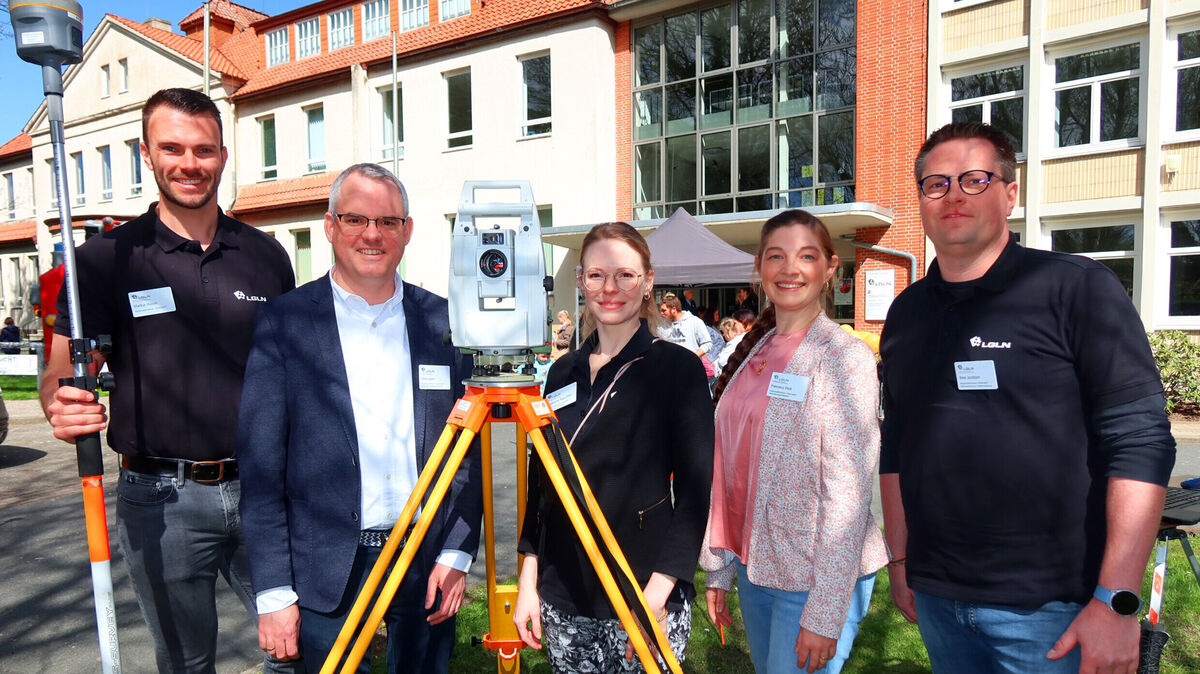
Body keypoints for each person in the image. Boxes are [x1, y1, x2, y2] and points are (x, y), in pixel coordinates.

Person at [880, 122, 1176, 673]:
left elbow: (1140, 442)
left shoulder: (1077, 289)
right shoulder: (906, 313)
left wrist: (1116, 600)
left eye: (974, 179)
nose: (954, 196)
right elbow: (897, 445)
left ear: (1009, 194)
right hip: (939, 598)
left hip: (1055, 608)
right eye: (936, 184)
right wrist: (900, 561)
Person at [40, 88, 297, 673]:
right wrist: (61, 404)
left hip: (267, 490)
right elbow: (61, 372)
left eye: (203, 150)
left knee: (299, 653)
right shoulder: (105, 260)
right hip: (161, 498)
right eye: (172, 148)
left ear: (223, 156)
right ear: (146, 153)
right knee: (184, 663)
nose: (189, 163)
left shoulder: (266, 255)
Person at [238, 164, 482, 673]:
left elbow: (467, 455)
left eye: (388, 222)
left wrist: (457, 554)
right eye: (355, 219)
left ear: (407, 232)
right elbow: (261, 471)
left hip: (426, 560)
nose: (372, 234)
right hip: (324, 569)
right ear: (330, 226)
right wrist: (273, 592)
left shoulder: (444, 322)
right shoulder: (285, 323)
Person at [513, 222, 714, 672]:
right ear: (581, 281)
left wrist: (657, 595)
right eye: (597, 275)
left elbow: (696, 496)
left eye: (625, 274)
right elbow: (540, 485)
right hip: (566, 593)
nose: (610, 287)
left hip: (644, 593)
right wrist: (529, 580)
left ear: (647, 282)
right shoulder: (562, 373)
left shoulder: (677, 370)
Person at [701, 210, 887, 674]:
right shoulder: (753, 351)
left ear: (830, 269)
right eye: (777, 256)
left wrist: (825, 613)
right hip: (755, 565)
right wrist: (721, 567)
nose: (790, 269)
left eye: (806, 256)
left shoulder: (844, 358)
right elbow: (730, 469)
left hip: (814, 577)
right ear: (759, 269)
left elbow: (850, 495)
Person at [657, 295, 716, 383]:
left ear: (674, 309)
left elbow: (707, 343)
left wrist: (692, 357)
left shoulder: (694, 321)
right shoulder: (661, 326)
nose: (661, 313)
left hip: (690, 370)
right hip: (670, 372)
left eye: (664, 310)